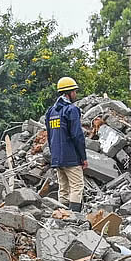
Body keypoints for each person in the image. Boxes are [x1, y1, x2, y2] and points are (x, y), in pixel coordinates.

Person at [46, 77, 87, 211]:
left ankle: (62, 216)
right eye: (74, 91)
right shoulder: (71, 110)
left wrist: (54, 155)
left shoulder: (51, 112)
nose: (75, 94)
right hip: (70, 157)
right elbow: (77, 135)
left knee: (63, 187)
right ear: (69, 93)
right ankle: (74, 217)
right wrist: (83, 157)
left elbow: (50, 135)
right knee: (77, 185)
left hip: (57, 157)